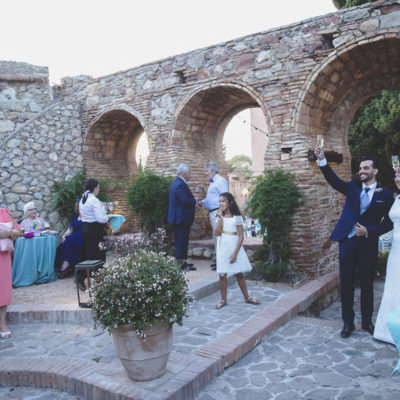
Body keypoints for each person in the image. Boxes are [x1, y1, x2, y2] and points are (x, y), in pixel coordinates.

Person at [315, 145, 393, 338]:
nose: (362, 171)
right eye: (360, 168)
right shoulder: (352, 187)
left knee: (367, 284)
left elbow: (389, 222)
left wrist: (369, 231)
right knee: (347, 284)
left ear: (375, 171)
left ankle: (367, 322)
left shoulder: (385, 195)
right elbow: (333, 181)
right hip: (347, 242)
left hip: (368, 244)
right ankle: (348, 323)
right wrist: (322, 159)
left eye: (366, 168)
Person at [214, 192, 260, 309]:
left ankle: (247, 297)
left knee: (238, 274)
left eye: (223, 201)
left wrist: (235, 253)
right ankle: (223, 300)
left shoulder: (237, 217)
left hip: (234, 246)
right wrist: (220, 219)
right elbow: (217, 233)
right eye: (219, 201)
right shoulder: (219, 216)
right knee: (222, 275)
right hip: (222, 247)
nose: (221, 203)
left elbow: (241, 236)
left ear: (230, 203)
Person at [374, 172, 400, 344]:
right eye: (396, 175)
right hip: (395, 251)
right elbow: (388, 224)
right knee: (392, 287)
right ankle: (387, 331)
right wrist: (370, 232)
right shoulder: (396, 198)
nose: (398, 179)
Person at [76, 179, 109, 290]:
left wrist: (102, 209)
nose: (99, 190)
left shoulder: (83, 198)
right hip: (96, 229)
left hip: (86, 228)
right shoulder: (94, 200)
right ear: (94, 188)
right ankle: (99, 279)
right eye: (98, 187)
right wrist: (108, 217)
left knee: (87, 254)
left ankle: (80, 277)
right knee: (99, 254)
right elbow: (100, 219)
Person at [198, 162, 228, 270]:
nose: (205, 173)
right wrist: (202, 202)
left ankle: (222, 263)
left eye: (207, 171)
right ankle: (219, 261)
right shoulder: (213, 182)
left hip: (217, 213)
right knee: (216, 237)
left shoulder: (220, 181)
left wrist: (221, 213)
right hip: (213, 212)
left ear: (213, 171)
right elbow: (212, 199)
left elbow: (225, 198)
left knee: (219, 237)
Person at [167, 163, 197, 271]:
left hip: (180, 218)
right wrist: (195, 201)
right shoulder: (180, 184)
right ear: (184, 173)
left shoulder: (176, 182)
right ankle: (181, 265)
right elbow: (184, 200)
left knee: (182, 241)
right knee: (181, 242)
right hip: (181, 219)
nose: (190, 175)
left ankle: (183, 262)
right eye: (189, 173)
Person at [0, 193, 21, 339]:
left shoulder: (4, 212)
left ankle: (2, 323)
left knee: (3, 291)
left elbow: (19, 231)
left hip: (2, 257)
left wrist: (9, 232)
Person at [54, 199, 83, 279]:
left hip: (82, 238)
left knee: (69, 242)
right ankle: (65, 266)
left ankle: (64, 268)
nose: (80, 209)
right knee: (64, 242)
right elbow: (70, 229)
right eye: (79, 207)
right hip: (74, 237)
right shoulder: (75, 218)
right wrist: (64, 235)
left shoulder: (88, 218)